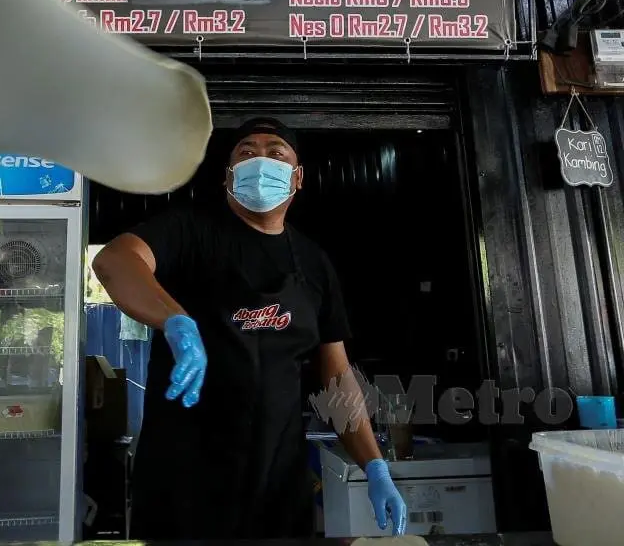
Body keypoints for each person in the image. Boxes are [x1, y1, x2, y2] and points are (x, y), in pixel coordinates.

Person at [91, 117, 407, 539]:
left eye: (276, 153)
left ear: (298, 178)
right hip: (185, 484)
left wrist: (374, 464)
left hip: (279, 487)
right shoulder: (188, 231)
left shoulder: (314, 263)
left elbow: (336, 374)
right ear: (228, 176)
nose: (260, 161)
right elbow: (114, 260)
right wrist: (175, 321)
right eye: (246, 152)